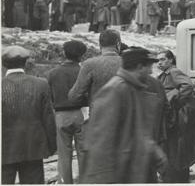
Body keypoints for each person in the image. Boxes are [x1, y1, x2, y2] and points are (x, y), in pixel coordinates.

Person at [81, 47, 166, 183]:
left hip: (130, 169)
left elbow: (138, 130)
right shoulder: (115, 90)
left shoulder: (132, 88)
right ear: (139, 67)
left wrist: (154, 151)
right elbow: (101, 140)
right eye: (149, 67)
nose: (150, 72)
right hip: (117, 173)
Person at [157, 50, 195, 183]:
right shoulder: (164, 75)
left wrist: (174, 100)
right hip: (172, 116)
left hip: (176, 116)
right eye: (158, 60)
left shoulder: (173, 72)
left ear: (171, 60)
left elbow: (188, 85)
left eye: (162, 59)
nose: (159, 63)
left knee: (175, 148)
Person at [2, 46, 57, 184]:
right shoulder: (41, 84)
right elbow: (48, 119)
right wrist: (52, 146)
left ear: (3, 64)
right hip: (33, 146)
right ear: (25, 63)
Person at [47, 41, 88, 183]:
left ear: (64, 53)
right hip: (82, 113)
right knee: (83, 152)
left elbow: (50, 97)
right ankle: (85, 182)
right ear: (82, 55)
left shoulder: (53, 73)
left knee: (64, 154)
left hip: (61, 115)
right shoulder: (84, 70)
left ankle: (65, 182)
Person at [68, 29, 122, 110]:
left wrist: (91, 100)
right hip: (124, 117)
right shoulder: (128, 63)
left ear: (100, 45)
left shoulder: (90, 64)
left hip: (98, 115)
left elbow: (74, 97)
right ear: (118, 44)